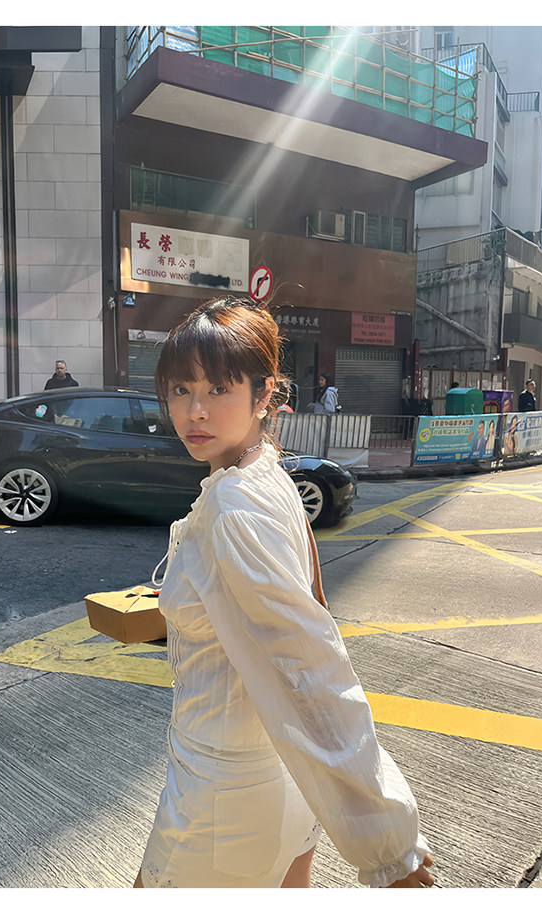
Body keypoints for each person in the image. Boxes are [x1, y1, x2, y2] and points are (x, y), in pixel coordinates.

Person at [133, 296, 434, 889]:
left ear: (264, 393)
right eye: (179, 390)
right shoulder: (265, 473)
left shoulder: (233, 506)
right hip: (282, 776)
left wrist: (388, 846)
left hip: (224, 788)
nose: (194, 410)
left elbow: (309, 669)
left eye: (218, 389)